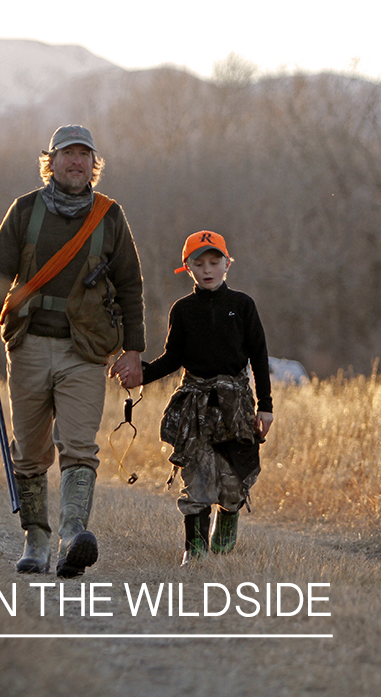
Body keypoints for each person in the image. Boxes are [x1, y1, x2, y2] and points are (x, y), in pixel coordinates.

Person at [0, 125, 144, 577]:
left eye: (85, 155)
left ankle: (72, 537)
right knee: (29, 451)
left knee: (80, 447)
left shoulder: (110, 216)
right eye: (68, 153)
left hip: (84, 351)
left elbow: (131, 286)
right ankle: (36, 539)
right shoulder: (24, 210)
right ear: (51, 162)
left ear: (94, 164)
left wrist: (133, 350)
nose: (76, 161)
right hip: (28, 345)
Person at [129, 230, 273, 564]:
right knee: (196, 478)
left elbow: (259, 356)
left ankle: (227, 524)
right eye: (199, 263)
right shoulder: (182, 310)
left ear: (227, 264)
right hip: (194, 405)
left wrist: (265, 407)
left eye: (214, 262)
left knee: (234, 480)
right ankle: (193, 552)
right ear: (188, 267)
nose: (207, 269)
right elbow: (172, 358)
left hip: (236, 405)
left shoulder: (243, 305)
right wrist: (140, 375)